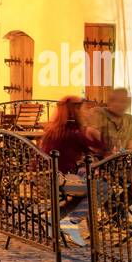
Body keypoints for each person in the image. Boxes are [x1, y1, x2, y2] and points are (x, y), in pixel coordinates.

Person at [39, 96, 106, 246]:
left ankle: (55, 219)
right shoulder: (76, 132)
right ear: (76, 111)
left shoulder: (53, 129)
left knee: (86, 190)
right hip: (58, 181)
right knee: (101, 188)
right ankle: (71, 222)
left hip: (43, 178)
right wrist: (93, 130)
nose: (86, 112)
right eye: (83, 109)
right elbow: (100, 148)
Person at [87, 86, 132, 154]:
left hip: (120, 161)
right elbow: (93, 146)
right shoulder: (97, 113)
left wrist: (120, 152)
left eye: (123, 101)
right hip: (98, 162)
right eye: (114, 100)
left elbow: (130, 149)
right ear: (109, 101)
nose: (119, 104)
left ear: (129, 103)